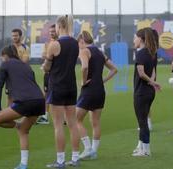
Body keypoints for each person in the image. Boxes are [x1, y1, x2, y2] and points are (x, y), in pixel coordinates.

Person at [0, 45, 45, 169]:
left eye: (3, 57)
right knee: (24, 131)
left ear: (5, 56)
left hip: (25, 102)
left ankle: (17, 125)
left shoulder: (5, 64)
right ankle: (23, 164)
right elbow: (32, 83)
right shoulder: (26, 65)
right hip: (40, 101)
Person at [42, 15, 80, 168]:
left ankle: (60, 161)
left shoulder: (54, 44)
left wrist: (44, 66)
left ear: (59, 26)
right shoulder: (75, 43)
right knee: (72, 124)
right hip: (71, 87)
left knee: (58, 125)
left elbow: (47, 67)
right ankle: (76, 158)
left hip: (57, 87)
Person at [75, 31, 117, 160]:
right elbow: (114, 69)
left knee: (76, 119)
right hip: (100, 90)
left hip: (89, 90)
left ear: (82, 41)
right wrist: (102, 80)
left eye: (78, 44)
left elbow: (84, 68)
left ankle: (87, 148)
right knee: (95, 122)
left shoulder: (84, 51)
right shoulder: (100, 52)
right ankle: (94, 151)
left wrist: (83, 81)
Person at [132, 27, 161, 157]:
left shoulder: (140, 53)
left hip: (141, 92)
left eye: (135, 37)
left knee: (142, 122)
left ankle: (146, 150)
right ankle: (141, 147)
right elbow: (153, 71)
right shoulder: (152, 53)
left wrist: (152, 82)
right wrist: (152, 82)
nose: (134, 40)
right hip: (149, 91)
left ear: (141, 39)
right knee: (142, 120)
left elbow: (141, 73)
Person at [36, 24, 58, 125]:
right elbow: (43, 55)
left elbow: (48, 56)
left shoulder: (61, 43)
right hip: (48, 73)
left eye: (53, 31)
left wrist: (49, 56)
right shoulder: (48, 43)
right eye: (50, 32)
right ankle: (45, 116)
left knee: (60, 94)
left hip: (58, 73)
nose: (51, 33)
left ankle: (65, 118)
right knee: (46, 94)